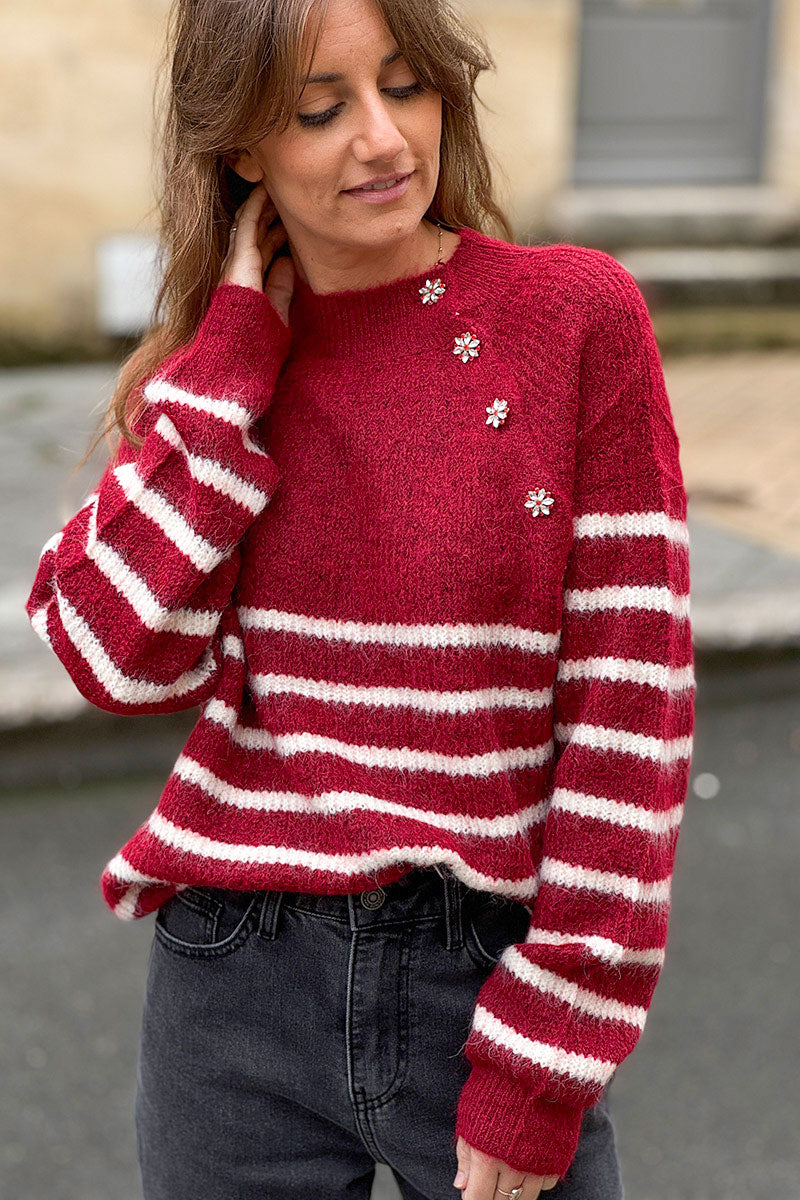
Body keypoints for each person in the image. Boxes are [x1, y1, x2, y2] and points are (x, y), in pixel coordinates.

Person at [24, 0, 695, 1196]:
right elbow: (112, 653)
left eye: (405, 86)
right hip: (231, 980)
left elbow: (627, 708)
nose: (382, 140)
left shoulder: (571, 318)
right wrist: (233, 360)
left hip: (480, 972)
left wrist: (550, 1044)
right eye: (318, 110)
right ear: (242, 146)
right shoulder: (212, 377)